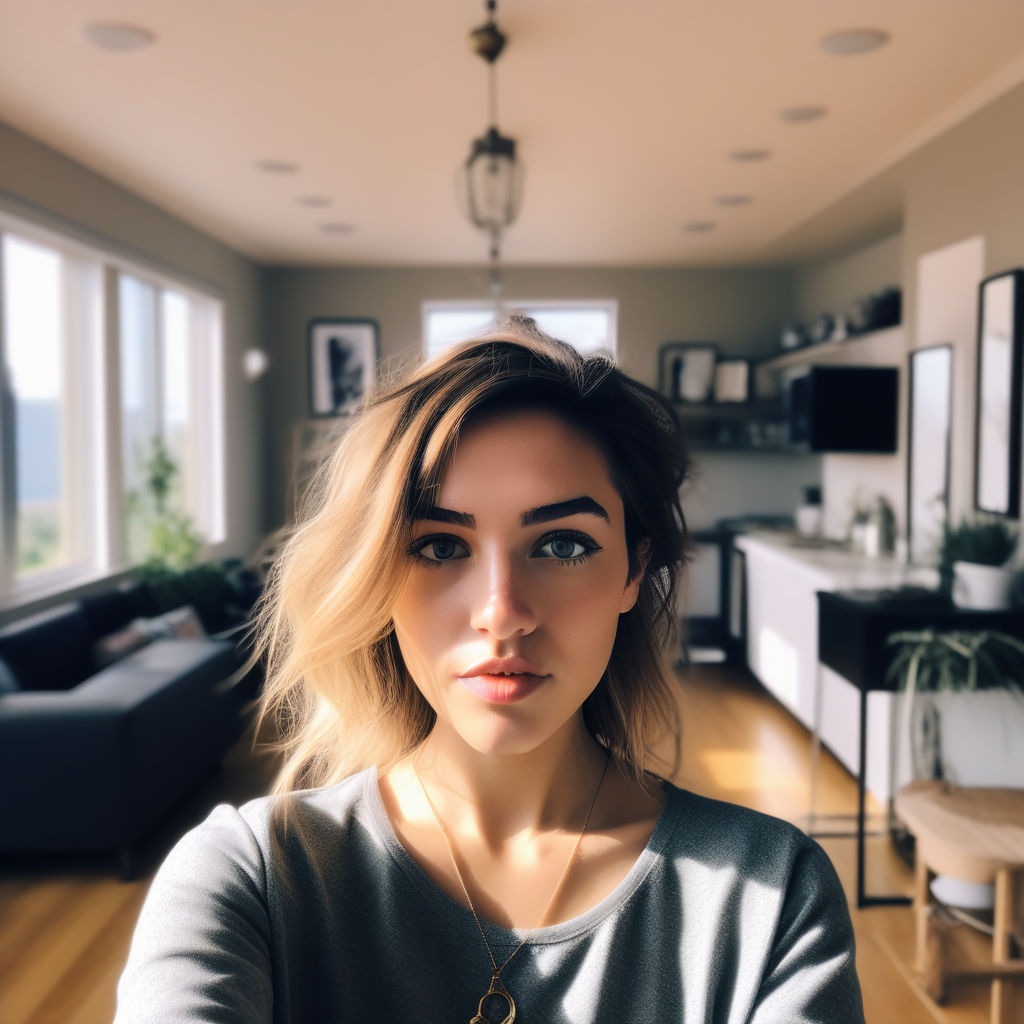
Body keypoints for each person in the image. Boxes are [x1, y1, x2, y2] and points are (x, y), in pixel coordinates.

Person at [115, 317, 865, 1023]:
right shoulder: (246, 880)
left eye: (563, 545)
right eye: (440, 546)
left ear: (635, 571)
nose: (502, 613)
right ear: (376, 575)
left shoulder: (771, 900)